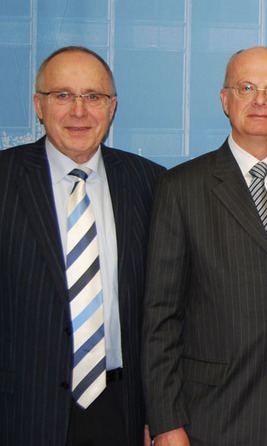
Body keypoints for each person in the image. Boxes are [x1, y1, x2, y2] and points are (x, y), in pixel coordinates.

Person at [141, 46, 267, 446]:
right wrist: (166, 422)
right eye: (247, 88)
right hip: (211, 418)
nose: (261, 100)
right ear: (225, 99)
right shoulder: (181, 187)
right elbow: (160, 318)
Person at [0, 46, 164, 445]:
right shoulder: (4, 180)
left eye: (93, 97)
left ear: (111, 108)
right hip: (21, 410)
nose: (79, 111)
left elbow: (167, 311)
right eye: (63, 95)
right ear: (38, 105)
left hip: (123, 409)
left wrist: (160, 414)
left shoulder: (153, 184)